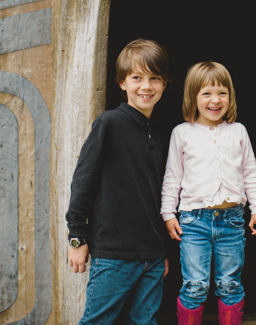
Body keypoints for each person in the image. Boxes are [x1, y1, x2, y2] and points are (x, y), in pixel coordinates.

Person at [66, 39, 172, 325]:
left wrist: (159, 250)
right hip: (114, 254)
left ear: (164, 84)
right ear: (122, 83)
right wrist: (77, 237)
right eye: (137, 77)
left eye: (154, 78)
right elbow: (83, 181)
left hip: (151, 256)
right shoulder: (109, 124)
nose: (146, 86)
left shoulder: (157, 134)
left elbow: (154, 198)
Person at [161, 62, 256, 325]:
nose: (215, 100)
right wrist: (167, 213)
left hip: (231, 220)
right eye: (206, 93)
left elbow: (250, 173)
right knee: (195, 285)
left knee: (230, 284)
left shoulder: (238, 131)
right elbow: (172, 177)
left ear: (230, 96)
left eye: (222, 93)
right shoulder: (181, 133)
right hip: (193, 222)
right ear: (193, 97)